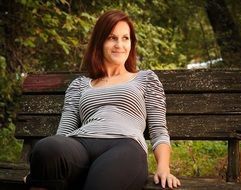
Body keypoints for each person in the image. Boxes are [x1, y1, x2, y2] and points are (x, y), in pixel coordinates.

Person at [24, 10, 181, 190]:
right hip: (81, 144)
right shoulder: (79, 85)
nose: (119, 45)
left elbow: (158, 129)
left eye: (125, 38)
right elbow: (64, 132)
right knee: (47, 148)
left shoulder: (145, 79)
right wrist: (43, 167)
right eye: (112, 38)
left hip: (125, 146)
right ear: (100, 41)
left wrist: (163, 167)